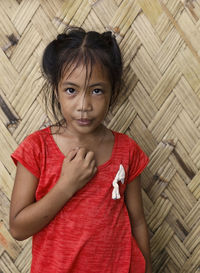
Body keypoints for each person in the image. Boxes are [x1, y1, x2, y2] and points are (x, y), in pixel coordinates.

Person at [9, 27, 152, 273]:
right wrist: (67, 185)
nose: (84, 105)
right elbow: (18, 228)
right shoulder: (37, 149)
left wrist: (146, 267)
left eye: (96, 91)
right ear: (56, 90)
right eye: (71, 90)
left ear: (112, 92)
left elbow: (137, 221)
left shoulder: (127, 151)